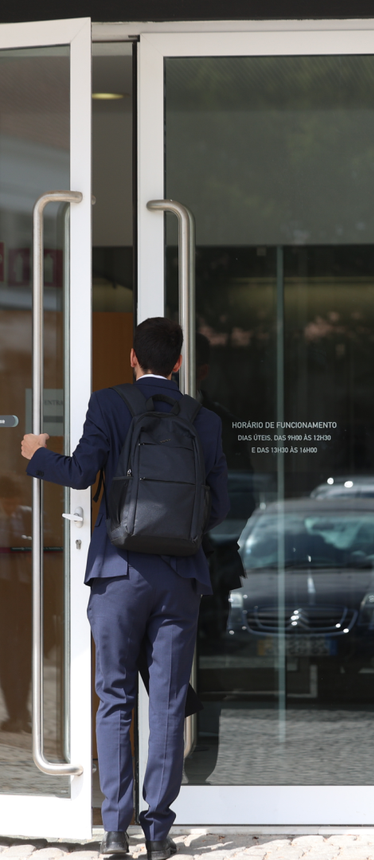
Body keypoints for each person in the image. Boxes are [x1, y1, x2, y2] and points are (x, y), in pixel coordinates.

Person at [20, 318, 228, 860]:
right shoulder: (204, 420)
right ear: (178, 363)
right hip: (180, 578)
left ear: (132, 358)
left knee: (114, 697)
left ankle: (115, 829)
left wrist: (36, 453)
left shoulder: (109, 404)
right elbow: (220, 506)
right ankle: (158, 833)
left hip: (118, 573)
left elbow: (79, 472)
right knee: (168, 703)